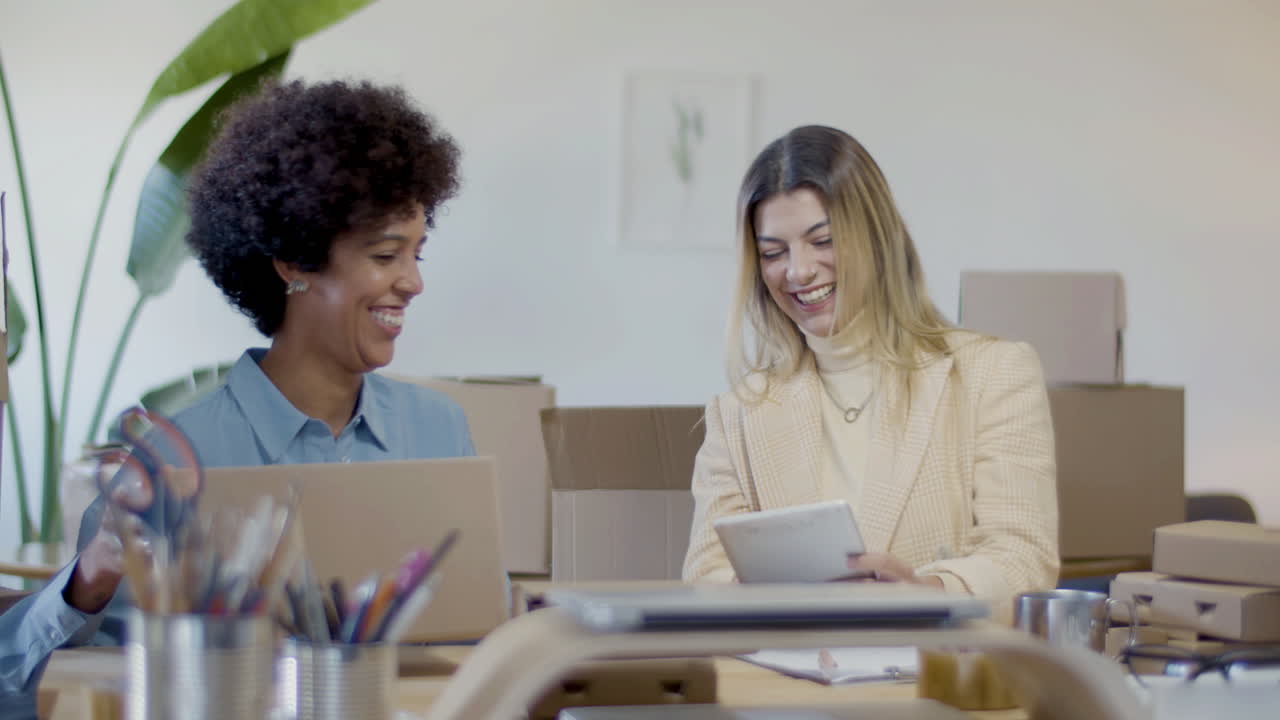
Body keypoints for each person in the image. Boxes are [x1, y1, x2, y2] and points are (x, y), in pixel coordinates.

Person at [0, 79, 472, 714]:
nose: (412, 282)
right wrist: (90, 580)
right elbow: (18, 687)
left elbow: (478, 639)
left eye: (418, 253)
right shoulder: (171, 457)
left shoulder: (441, 431)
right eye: (387, 255)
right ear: (293, 262)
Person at [682, 125, 1058, 622]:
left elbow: (1025, 559)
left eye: (823, 240)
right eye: (774, 253)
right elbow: (706, 578)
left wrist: (927, 590)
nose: (798, 271)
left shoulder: (992, 373)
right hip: (790, 679)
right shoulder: (739, 414)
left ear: (877, 237)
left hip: (939, 676)